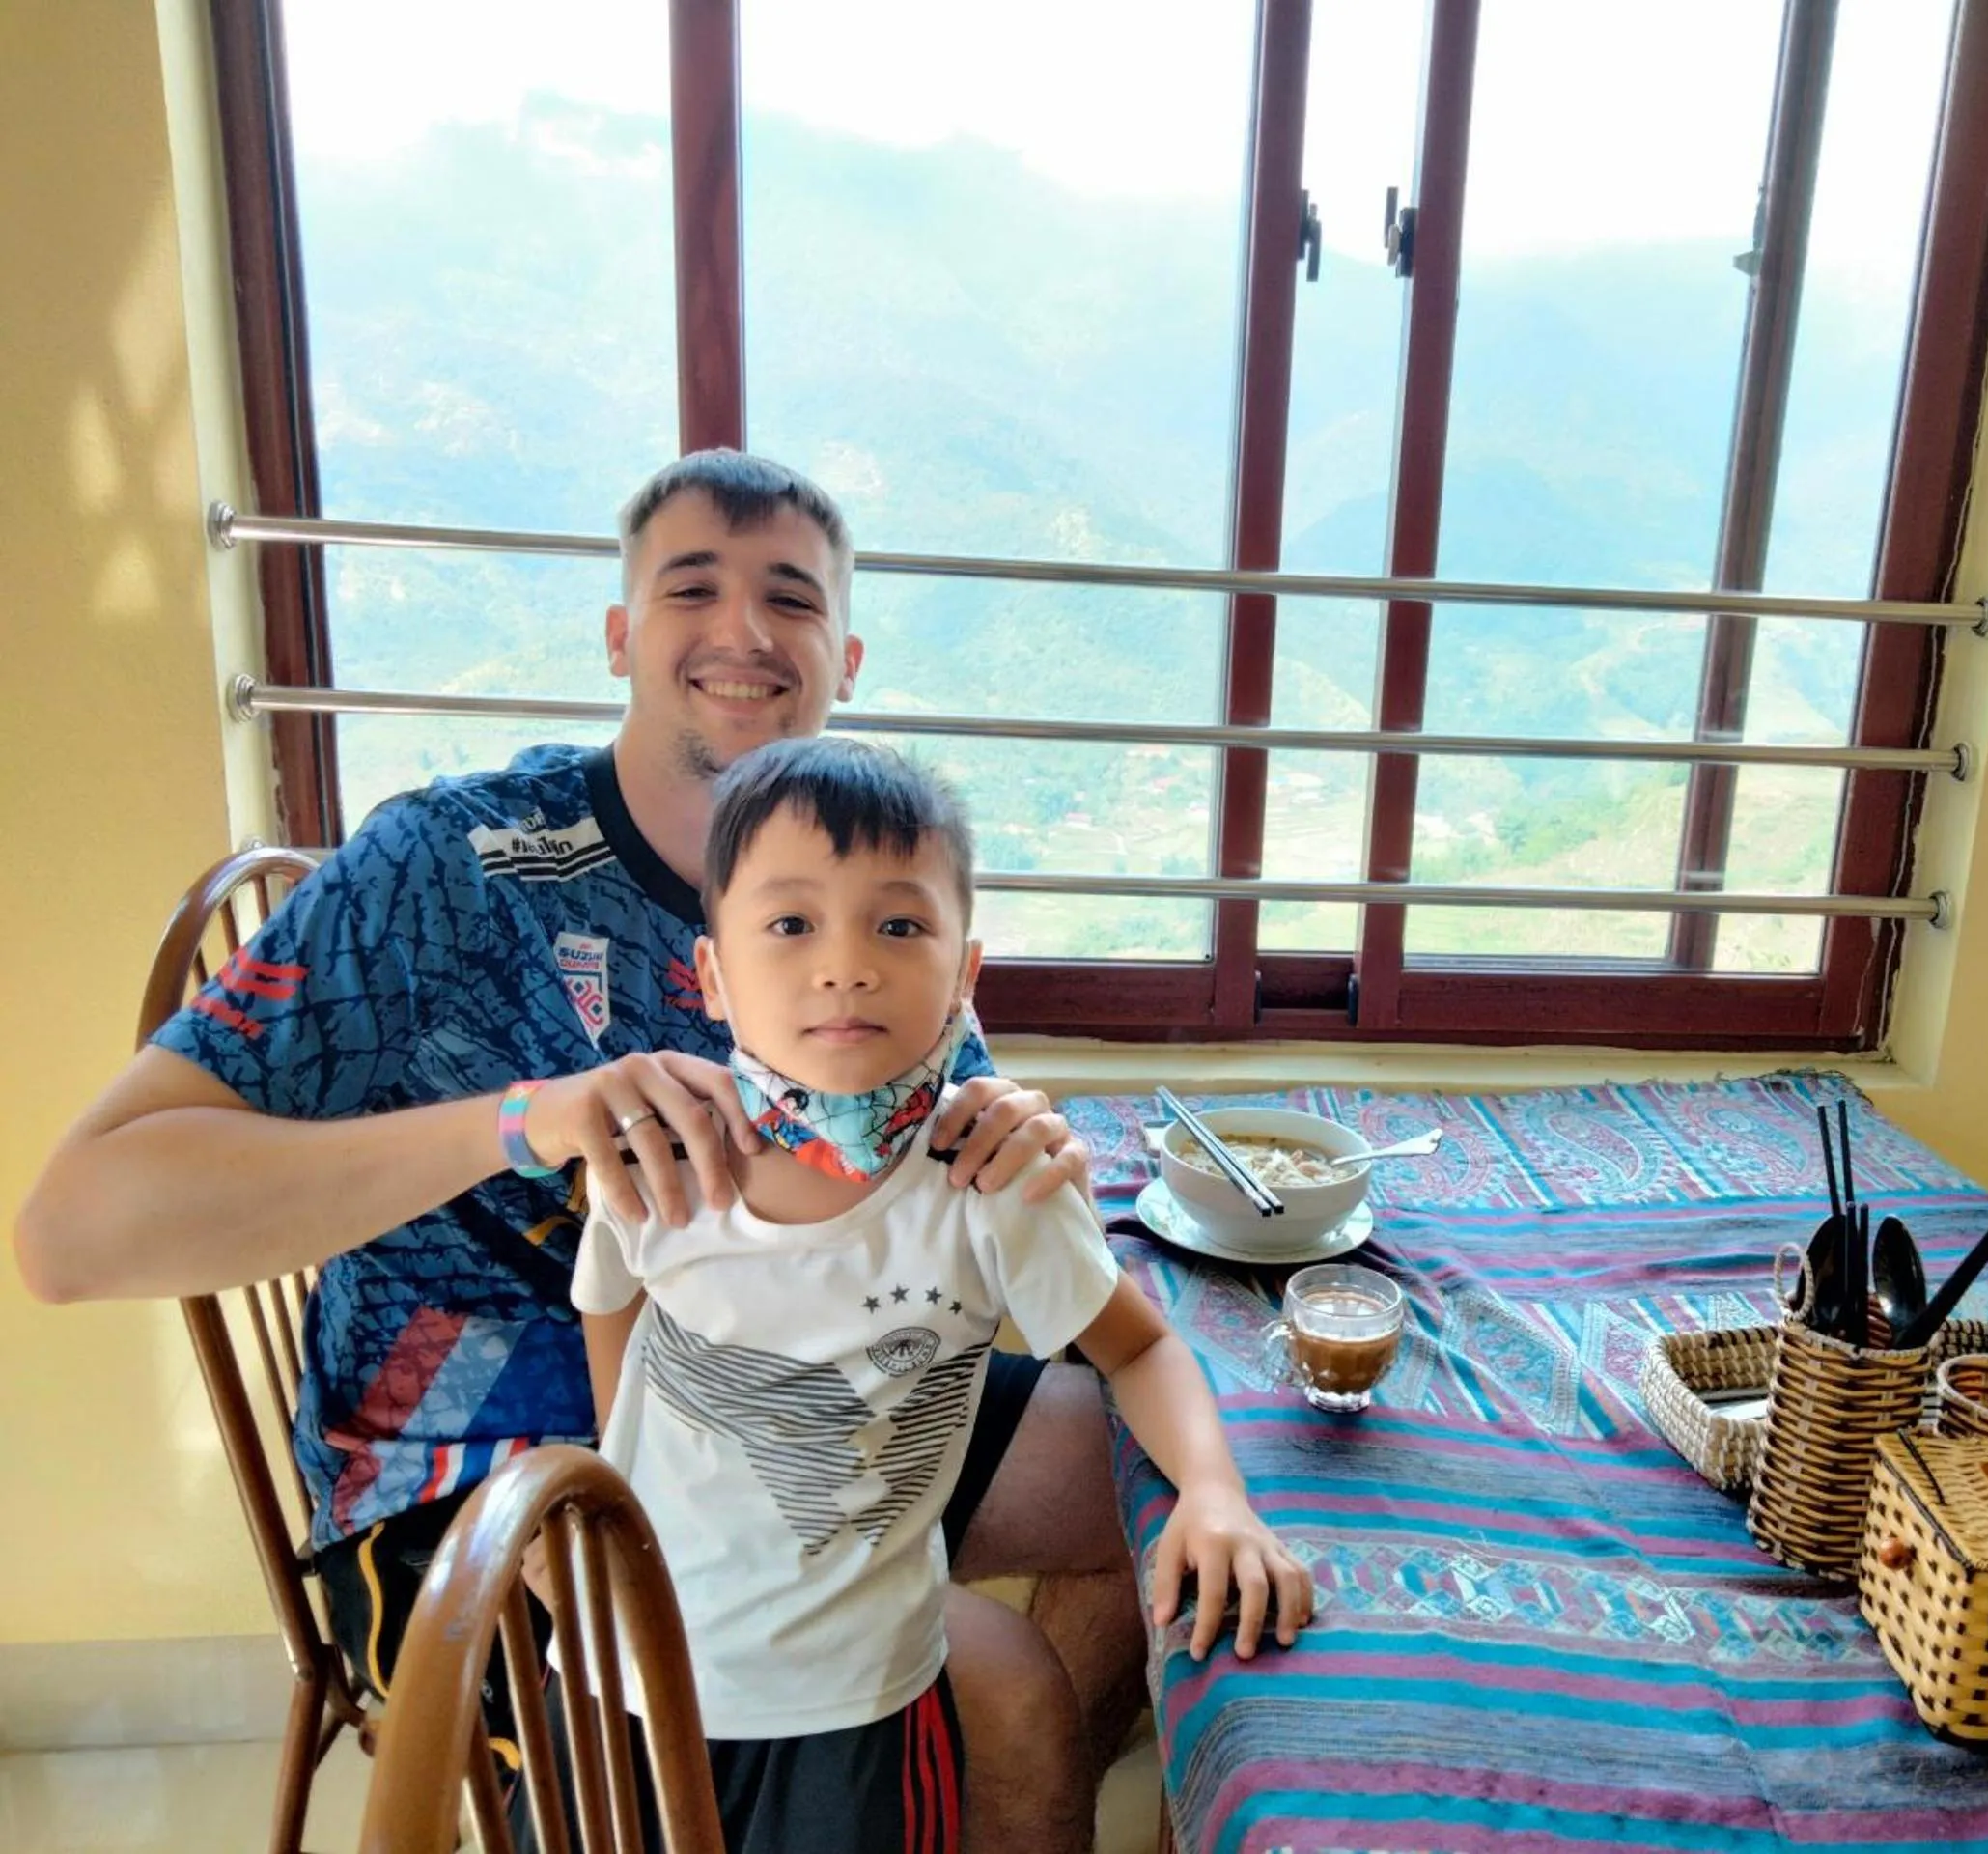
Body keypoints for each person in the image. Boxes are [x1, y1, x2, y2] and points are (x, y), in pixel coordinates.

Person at [14, 451, 1151, 1849]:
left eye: (788, 599)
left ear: (841, 657)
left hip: (819, 1378)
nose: (742, 633)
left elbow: (945, 1167)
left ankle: (970, 1790)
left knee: (1152, 1468)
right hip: (484, 1451)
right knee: (1009, 1698)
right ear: (621, 634)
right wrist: (520, 1121)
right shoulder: (441, 873)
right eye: (692, 588)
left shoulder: (859, 887)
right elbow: (70, 1229)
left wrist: (1016, 1147)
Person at [556, 734, 1307, 1850]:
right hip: (631, 1674)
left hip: (855, 1698)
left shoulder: (994, 1182)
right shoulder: (664, 1160)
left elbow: (1139, 1351)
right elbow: (608, 1303)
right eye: (790, 923)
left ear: (965, 970)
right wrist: (615, 1501)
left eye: (898, 925)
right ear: (711, 973)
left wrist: (1212, 1492)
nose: (845, 965)